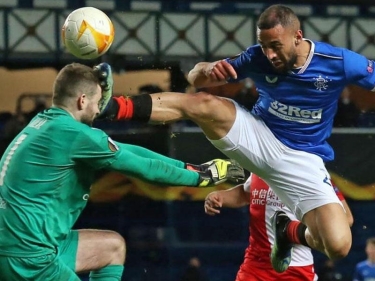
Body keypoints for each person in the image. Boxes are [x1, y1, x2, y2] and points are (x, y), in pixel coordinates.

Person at [99, 4, 374, 273]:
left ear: (298, 37)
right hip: (259, 137)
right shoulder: (256, 57)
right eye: (263, 45)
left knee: (339, 245)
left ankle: (288, 232)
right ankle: (113, 107)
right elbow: (196, 78)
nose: (269, 54)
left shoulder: (339, 62)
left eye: (276, 46)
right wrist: (207, 70)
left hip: (303, 158)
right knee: (203, 103)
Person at [0, 63, 245, 281]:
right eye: (97, 103)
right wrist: (203, 177)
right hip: (29, 257)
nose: (98, 111)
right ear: (82, 101)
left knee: (112, 247)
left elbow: (130, 152)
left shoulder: (46, 123)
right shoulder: (74, 135)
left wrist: (192, 167)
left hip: (21, 245)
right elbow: (146, 169)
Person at [204, 174, 353, 281]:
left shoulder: (310, 173)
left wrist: (294, 232)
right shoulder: (260, 167)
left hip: (296, 271)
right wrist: (221, 196)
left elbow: (346, 219)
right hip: (255, 266)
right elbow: (245, 193)